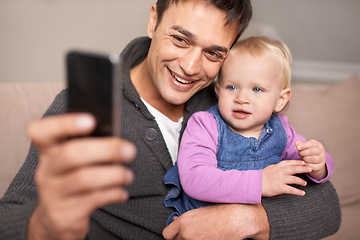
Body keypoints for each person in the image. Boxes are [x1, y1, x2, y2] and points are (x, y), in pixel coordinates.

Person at [0, 1, 340, 240]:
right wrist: (43, 224)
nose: (191, 67)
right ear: (153, 21)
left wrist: (244, 219)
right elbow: (7, 219)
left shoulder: (232, 103)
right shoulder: (88, 108)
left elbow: (328, 207)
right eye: (180, 39)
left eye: (213, 53)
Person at [163, 36, 335, 224]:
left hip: (255, 229)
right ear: (218, 90)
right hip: (204, 227)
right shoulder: (205, 125)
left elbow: (306, 168)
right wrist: (261, 182)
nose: (242, 98)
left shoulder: (282, 132)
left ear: (280, 99)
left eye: (257, 89)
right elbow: (195, 180)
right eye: (232, 87)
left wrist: (319, 164)